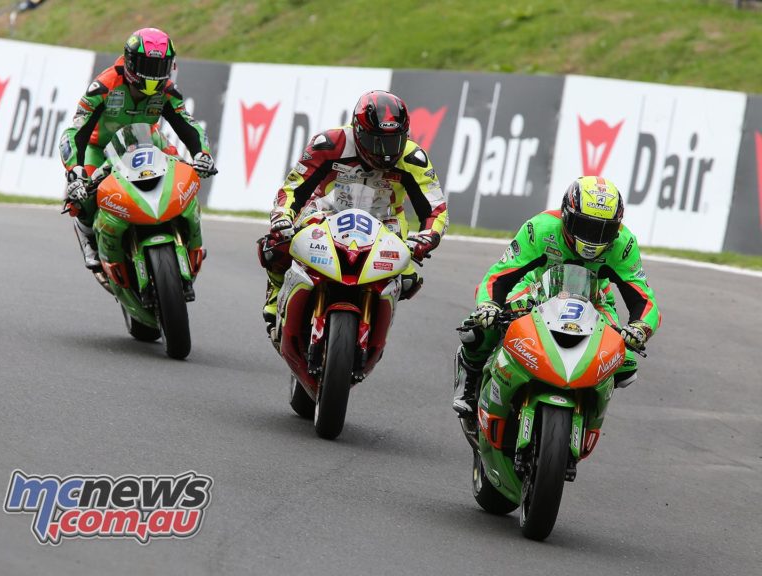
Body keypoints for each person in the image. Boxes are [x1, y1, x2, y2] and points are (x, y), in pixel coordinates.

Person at [453, 176, 661, 415]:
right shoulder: (540, 228)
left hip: (595, 299)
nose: (593, 238)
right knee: (480, 327)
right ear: (566, 215)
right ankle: (470, 374)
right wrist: (489, 305)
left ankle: (590, 407)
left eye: (605, 230)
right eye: (586, 226)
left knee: (622, 360)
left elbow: (644, 299)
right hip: (534, 288)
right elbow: (498, 276)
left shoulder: (623, 244)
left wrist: (640, 328)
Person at [258, 90, 448, 331]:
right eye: (376, 141)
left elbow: (436, 208)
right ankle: (276, 296)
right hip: (326, 214)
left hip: (385, 223)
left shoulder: (414, 158)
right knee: (275, 247)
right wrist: (282, 218)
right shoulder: (329, 144)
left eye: (394, 141)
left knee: (408, 281)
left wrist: (426, 238)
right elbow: (293, 188)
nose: (385, 151)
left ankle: (373, 326)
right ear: (357, 131)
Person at [59, 27, 214, 275]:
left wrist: (202, 154)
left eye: (160, 67)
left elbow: (188, 124)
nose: (154, 75)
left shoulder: (168, 92)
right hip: (100, 148)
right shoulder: (103, 86)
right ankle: (88, 237)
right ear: (130, 63)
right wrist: (74, 171)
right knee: (82, 195)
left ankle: (190, 238)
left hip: (148, 141)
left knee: (186, 177)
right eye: (147, 66)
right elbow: (75, 131)